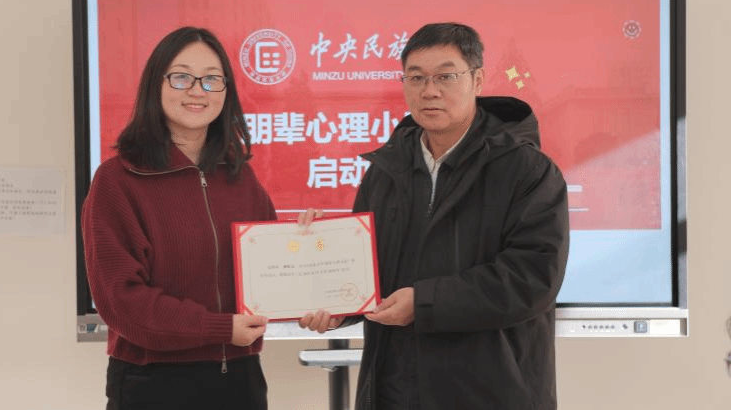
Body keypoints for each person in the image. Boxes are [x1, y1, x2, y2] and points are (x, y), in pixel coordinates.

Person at [300, 22, 570, 409]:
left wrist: (424, 303)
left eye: (446, 76)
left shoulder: (526, 170)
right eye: (416, 78)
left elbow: (532, 278)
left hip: (491, 393)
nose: (429, 91)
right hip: (394, 392)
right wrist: (330, 285)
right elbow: (366, 273)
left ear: (477, 80)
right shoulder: (385, 172)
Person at [81, 26, 278, 410]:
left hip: (240, 379)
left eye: (212, 79)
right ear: (155, 84)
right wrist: (219, 329)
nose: (198, 90)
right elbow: (121, 302)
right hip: (152, 382)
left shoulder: (241, 177)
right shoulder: (118, 180)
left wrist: (307, 240)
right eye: (182, 77)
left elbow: (272, 268)